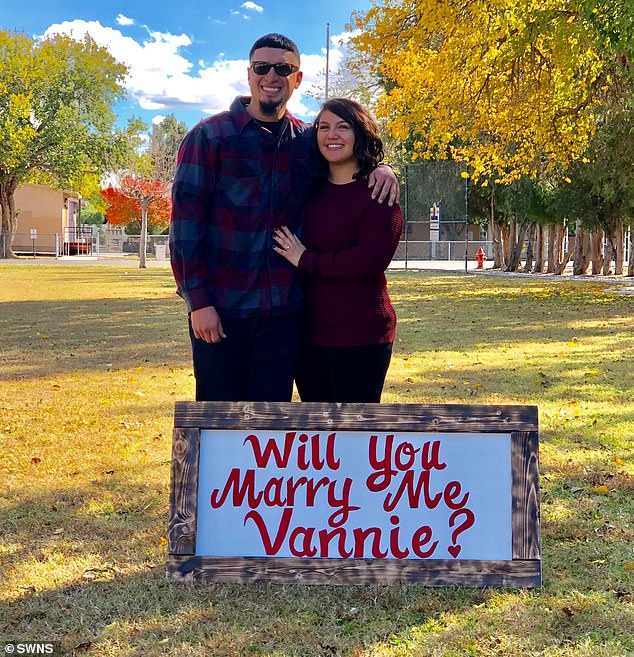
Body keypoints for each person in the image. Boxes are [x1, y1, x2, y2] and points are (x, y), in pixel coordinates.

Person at [169, 34, 399, 402]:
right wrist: (199, 302)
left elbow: (347, 150)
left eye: (283, 68)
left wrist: (383, 168)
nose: (271, 75)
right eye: (262, 67)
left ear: (297, 78)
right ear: (249, 74)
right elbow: (184, 228)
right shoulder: (209, 138)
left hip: (285, 319)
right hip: (223, 313)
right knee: (219, 427)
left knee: (273, 428)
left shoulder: (306, 141)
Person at [273, 98, 404, 403]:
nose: (332, 135)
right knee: (320, 434)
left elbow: (368, 261)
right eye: (324, 127)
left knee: (354, 434)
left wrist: (305, 259)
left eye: (343, 127)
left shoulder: (378, 192)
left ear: (361, 133)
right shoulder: (309, 189)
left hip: (361, 334)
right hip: (308, 334)